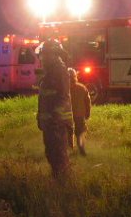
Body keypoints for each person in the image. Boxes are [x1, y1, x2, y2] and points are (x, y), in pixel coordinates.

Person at [36, 39, 73, 178]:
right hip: (50, 123)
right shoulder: (50, 72)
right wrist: (40, 116)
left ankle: (63, 185)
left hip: (58, 123)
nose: (43, 58)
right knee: (51, 153)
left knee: (58, 154)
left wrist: (55, 117)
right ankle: (58, 180)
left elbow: (63, 96)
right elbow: (44, 98)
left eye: (47, 54)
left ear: (54, 54)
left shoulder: (60, 71)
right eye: (43, 54)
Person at [67, 68, 91, 156]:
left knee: (68, 133)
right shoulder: (82, 88)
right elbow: (88, 102)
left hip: (67, 115)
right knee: (80, 133)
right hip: (80, 114)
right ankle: (81, 150)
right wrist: (88, 113)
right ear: (75, 76)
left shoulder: (64, 89)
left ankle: (69, 150)